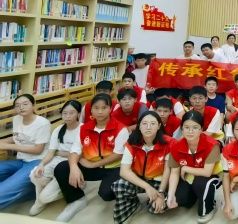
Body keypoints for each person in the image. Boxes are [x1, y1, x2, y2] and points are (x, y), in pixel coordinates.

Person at [54, 93, 128, 222]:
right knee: (62, 168)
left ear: (110, 109)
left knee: (106, 194)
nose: (100, 112)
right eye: (96, 108)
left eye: (104, 108)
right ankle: (77, 200)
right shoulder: (84, 128)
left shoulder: (121, 129)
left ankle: (127, 195)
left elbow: (118, 154)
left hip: (113, 168)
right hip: (89, 165)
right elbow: (75, 150)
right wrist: (74, 167)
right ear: (91, 109)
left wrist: (93, 164)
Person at [111, 111, 170, 224]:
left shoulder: (168, 143)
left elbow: (168, 171)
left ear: (159, 126)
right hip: (139, 179)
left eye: (153, 123)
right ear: (139, 126)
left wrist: (161, 193)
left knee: (155, 208)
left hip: (159, 182)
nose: (148, 127)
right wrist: (147, 187)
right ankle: (133, 204)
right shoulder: (132, 142)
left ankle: (155, 199)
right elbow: (124, 171)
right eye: (144, 123)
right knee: (119, 185)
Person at [167, 110, 222, 223]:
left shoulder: (212, 144)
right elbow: (174, 173)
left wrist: (186, 168)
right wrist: (170, 195)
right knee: (181, 199)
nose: (190, 131)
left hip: (212, 176)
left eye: (195, 127)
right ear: (182, 129)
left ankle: (209, 208)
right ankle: (198, 195)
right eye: (186, 127)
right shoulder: (175, 146)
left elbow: (207, 172)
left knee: (201, 183)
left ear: (201, 129)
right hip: (190, 177)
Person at [29, 100, 82, 216]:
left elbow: (79, 154)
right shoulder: (58, 129)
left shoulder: (83, 129)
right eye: (64, 113)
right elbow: (51, 152)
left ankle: (42, 200)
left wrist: (60, 153)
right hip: (55, 161)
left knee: (44, 197)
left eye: (71, 113)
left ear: (78, 114)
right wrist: (41, 164)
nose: (67, 116)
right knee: (35, 175)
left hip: (70, 164)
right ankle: (40, 201)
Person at [0, 94, 51, 209]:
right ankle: (25, 188)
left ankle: (30, 190)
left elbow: (38, 149)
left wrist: (7, 146)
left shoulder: (43, 123)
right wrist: (2, 142)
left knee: (2, 192)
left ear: (33, 105)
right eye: (17, 105)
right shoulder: (17, 119)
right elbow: (17, 137)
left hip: (37, 161)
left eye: (25, 104)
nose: (21, 107)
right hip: (21, 160)